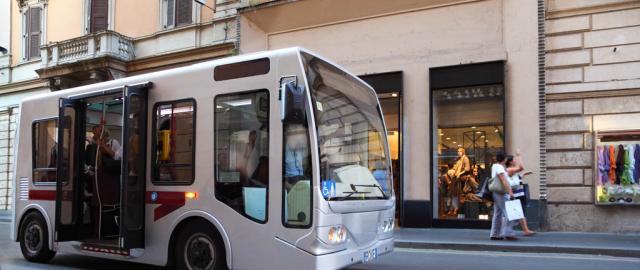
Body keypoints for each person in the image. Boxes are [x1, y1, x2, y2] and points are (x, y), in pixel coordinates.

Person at [506, 152, 536, 236]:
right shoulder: (509, 169)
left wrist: (524, 174)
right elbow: (521, 167)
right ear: (510, 162)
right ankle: (525, 230)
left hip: (519, 193)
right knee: (516, 213)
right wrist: (519, 156)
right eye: (514, 159)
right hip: (515, 194)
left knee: (520, 212)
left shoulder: (512, 170)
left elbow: (517, 179)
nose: (515, 161)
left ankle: (525, 230)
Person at [490, 152, 518, 240]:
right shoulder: (499, 167)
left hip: (496, 192)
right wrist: (510, 192)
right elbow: (504, 180)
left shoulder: (495, 166)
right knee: (509, 212)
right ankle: (508, 233)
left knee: (497, 213)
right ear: (505, 159)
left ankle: (495, 234)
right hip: (501, 192)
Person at [448, 148, 471, 215]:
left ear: (463, 152)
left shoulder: (465, 158)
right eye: (458, 151)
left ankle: (458, 209)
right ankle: (454, 208)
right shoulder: (459, 159)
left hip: (460, 179)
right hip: (456, 178)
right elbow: (455, 168)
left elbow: (467, 169)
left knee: (459, 194)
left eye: (460, 151)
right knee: (453, 194)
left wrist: (460, 174)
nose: (458, 152)